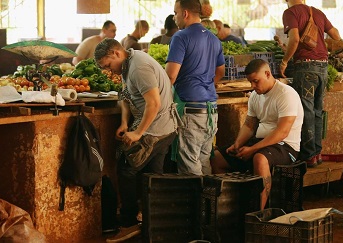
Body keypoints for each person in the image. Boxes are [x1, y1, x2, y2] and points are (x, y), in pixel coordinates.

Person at [94, 38, 178, 242]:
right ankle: (151, 225)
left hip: (156, 130)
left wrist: (138, 133)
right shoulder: (127, 64)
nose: (108, 70)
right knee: (152, 177)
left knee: (127, 170)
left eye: (107, 65)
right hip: (158, 128)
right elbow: (125, 97)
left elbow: (154, 104)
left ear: (115, 53)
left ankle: (129, 223)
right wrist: (124, 123)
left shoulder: (139, 67)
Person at [211, 59, 304, 210]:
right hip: (260, 143)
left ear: (267, 74)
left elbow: (282, 132)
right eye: (250, 82)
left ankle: (259, 213)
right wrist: (238, 144)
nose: (252, 86)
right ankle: (232, 206)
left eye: (255, 81)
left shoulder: (286, 94)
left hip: (286, 146)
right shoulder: (255, 96)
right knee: (216, 158)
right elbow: (249, 124)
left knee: (259, 158)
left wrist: (252, 149)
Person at [165, 0, 225, 175]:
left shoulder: (181, 37)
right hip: (211, 111)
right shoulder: (214, 39)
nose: (174, 18)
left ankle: (196, 202)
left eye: (175, 13)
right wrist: (204, 82)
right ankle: (208, 201)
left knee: (189, 164)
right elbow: (220, 71)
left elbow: (170, 75)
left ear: (185, 13)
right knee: (204, 159)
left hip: (191, 112)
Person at [279, 0, 341, 168]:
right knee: (317, 111)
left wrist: (285, 61)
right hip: (323, 67)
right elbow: (335, 34)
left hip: (305, 68)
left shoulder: (291, 13)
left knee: (306, 111)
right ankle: (317, 153)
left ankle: (308, 155)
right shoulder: (317, 12)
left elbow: (295, 39)